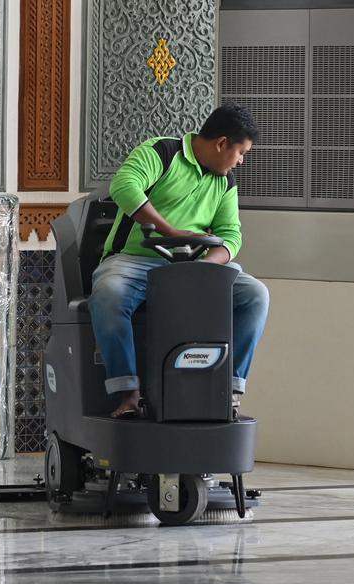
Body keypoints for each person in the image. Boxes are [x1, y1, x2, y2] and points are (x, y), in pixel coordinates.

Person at [88, 102, 270, 418]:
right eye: (241, 153)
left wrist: (205, 268)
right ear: (222, 143)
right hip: (135, 262)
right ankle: (128, 393)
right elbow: (124, 186)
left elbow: (231, 235)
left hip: (195, 266)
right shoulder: (161, 152)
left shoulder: (225, 183)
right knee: (109, 293)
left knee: (255, 295)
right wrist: (168, 230)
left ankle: (227, 391)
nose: (241, 161)